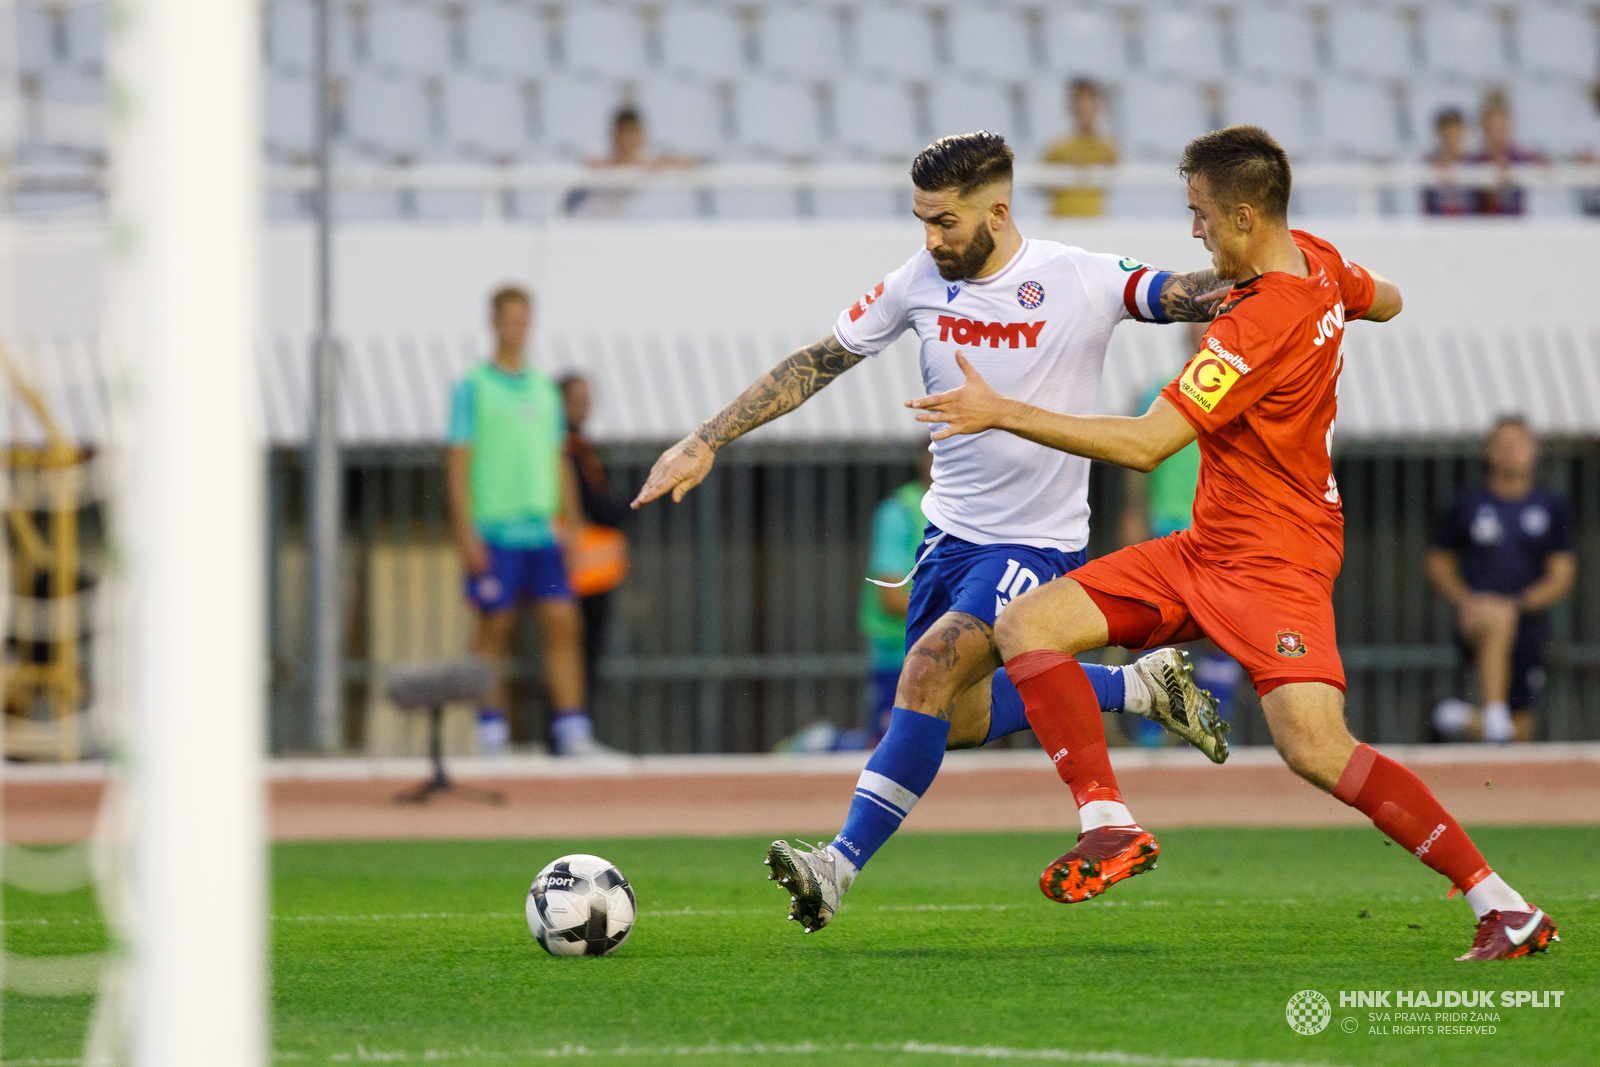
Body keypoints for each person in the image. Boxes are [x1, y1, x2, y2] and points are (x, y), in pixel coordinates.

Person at [912, 125, 1557, 961]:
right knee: (1027, 624)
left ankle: (1503, 904)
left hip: (1275, 563)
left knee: (1317, 749)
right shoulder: (1318, 260)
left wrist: (1003, 410)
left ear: (1246, 215)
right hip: (1206, 544)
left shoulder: (1254, 324)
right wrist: (1339, 315)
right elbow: (1387, 297)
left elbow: (1148, 444)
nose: (1195, 234)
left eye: (1201, 215)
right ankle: (1108, 823)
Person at [632, 130, 1232, 934]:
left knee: (925, 670)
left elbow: (1188, 291)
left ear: (998, 210)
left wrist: (1290, 275)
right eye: (921, 220)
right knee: (961, 719)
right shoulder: (919, 280)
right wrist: (707, 437)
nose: (931, 239)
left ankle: (836, 866)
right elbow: (818, 360)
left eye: (944, 222)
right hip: (947, 539)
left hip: (1035, 544)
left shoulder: (1078, 277)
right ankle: (1138, 686)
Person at [446, 287, 603, 757]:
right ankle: (490, 730)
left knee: (563, 622)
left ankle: (572, 727)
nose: (515, 327)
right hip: (494, 530)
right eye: (508, 318)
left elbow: (559, 461)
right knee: (493, 628)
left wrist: (571, 524)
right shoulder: (473, 385)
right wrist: (464, 532)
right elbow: (457, 464)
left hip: (542, 532)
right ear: (494, 322)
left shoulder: (542, 388)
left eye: (523, 318)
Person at [1117, 320, 1245, 745]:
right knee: (1158, 631)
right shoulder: (1158, 392)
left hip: (1225, 530)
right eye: (1197, 329)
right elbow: (1138, 464)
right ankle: (1152, 738)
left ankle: (1207, 728)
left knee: (1224, 634)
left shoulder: (1245, 393)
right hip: (1167, 527)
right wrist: (1133, 518)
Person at [1426, 417, 1575, 744]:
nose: (1511, 452)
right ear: (1488, 451)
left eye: (1518, 444)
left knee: (1518, 734)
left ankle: (1460, 717)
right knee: (1497, 617)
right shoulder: (1467, 503)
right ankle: (1493, 713)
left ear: (1533, 450)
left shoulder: (1551, 505)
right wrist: (1465, 598)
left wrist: (1522, 602)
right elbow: (1438, 562)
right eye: (1502, 445)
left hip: (1530, 622)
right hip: (1476, 618)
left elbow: (1562, 574)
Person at [559, 373, 631, 698]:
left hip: (593, 568)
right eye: (576, 400)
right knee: (576, 649)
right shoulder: (564, 447)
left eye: (587, 399)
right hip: (574, 565)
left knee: (587, 650)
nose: (583, 407)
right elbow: (590, 505)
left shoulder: (581, 444)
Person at [859, 453, 934, 744]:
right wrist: (961, 615)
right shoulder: (899, 512)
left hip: (949, 654)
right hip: (899, 655)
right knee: (892, 744)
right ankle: (824, 743)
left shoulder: (971, 512)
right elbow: (891, 597)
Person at [569, 108, 695, 218]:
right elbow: (593, 162)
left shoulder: (646, 156)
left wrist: (659, 163)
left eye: (633, 133)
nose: (628, 140)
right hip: (583, 221)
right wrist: (633, 162)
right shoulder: (599, 150)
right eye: (624, 133)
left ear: (641, 135)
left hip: (615, 225)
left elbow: (682, 161)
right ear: (614, 134)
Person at [1041, 79, 1118, 217]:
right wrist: (1064, 170)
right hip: (1062, 224)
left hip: (1094, 223)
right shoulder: (1059, 147)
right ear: (1072, 108)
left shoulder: (1108, 147)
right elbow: (1037, 183)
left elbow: (1119, 173)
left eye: (1089, 105)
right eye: (1080, 107)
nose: (1085, 112)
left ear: (1098, 107)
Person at [1466, 89, 1545, 216]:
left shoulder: (1520, 157)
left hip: (1514, 228)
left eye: (1501, 129)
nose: (1496, 135)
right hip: (1480, 229)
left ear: (1509, 127)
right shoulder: (1473, 160)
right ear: (1483, 128)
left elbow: (1545, 167)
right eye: (1491, 129)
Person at [1422, 108, 1478, 216]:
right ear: (1439, 135)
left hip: (1468, 225)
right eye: (1447, 136)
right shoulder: (1429, 163)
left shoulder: (1474, 163)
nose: (1451, 141)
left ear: (1462, 133)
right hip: (1438, 225)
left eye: (1455, 135)